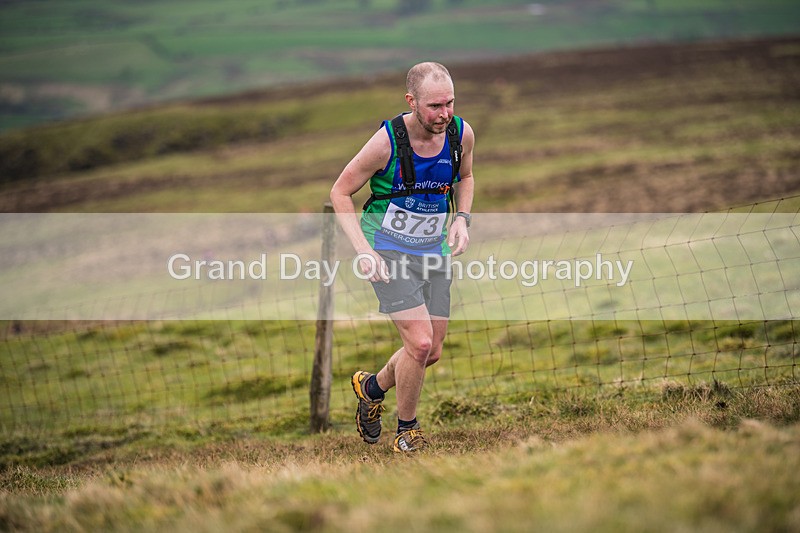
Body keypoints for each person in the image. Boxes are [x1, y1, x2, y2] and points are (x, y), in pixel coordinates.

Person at [330, 61, 475, 452]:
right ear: (411, 102)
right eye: (434, 106)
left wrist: (461, 218)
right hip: (388, 250)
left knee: (432, 350)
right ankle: (407, 431)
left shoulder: (462, 134)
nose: (444, 114)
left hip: (434, 251)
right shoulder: (386, 142)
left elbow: (466, 178)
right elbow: (339, 193)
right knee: (421, 342)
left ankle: (371, 387)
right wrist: (364, 251)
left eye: (450, 103)